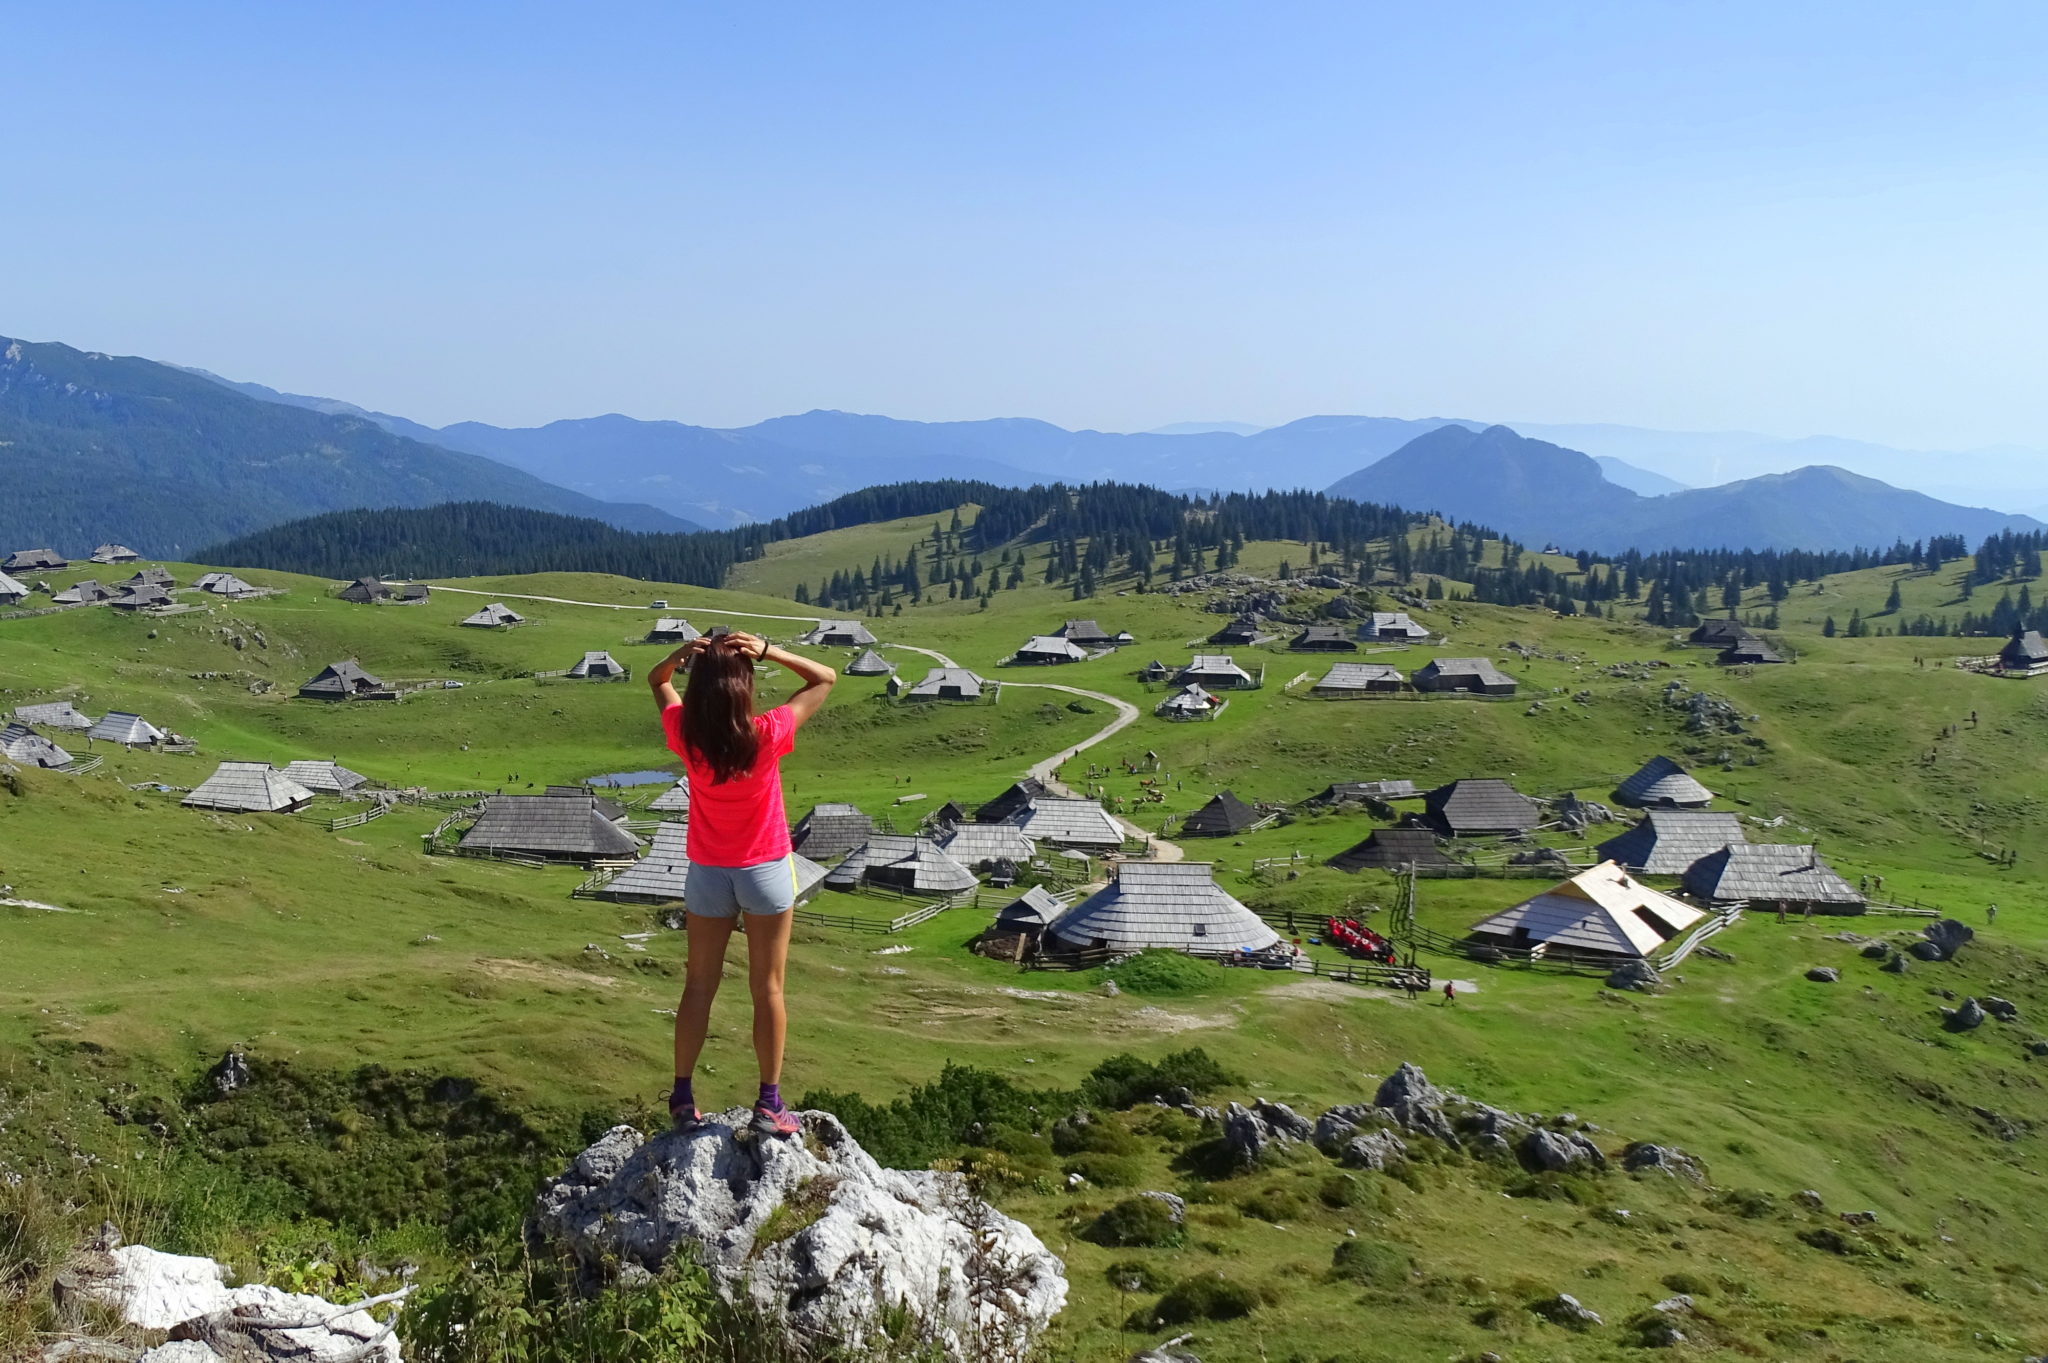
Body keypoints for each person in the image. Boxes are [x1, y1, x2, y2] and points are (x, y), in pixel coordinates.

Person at [650, 629, 836, 1138]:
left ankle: (683, 1097)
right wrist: (768, 648)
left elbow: (656, 680)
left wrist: (680, 656)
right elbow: (825, 677)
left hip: (708, 871)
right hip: (766, 869)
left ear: (701, 685)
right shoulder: (768, 731)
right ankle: (770, 1105)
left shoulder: (684, 731)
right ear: (744, 684)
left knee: (698, 986)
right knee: (768, 988)